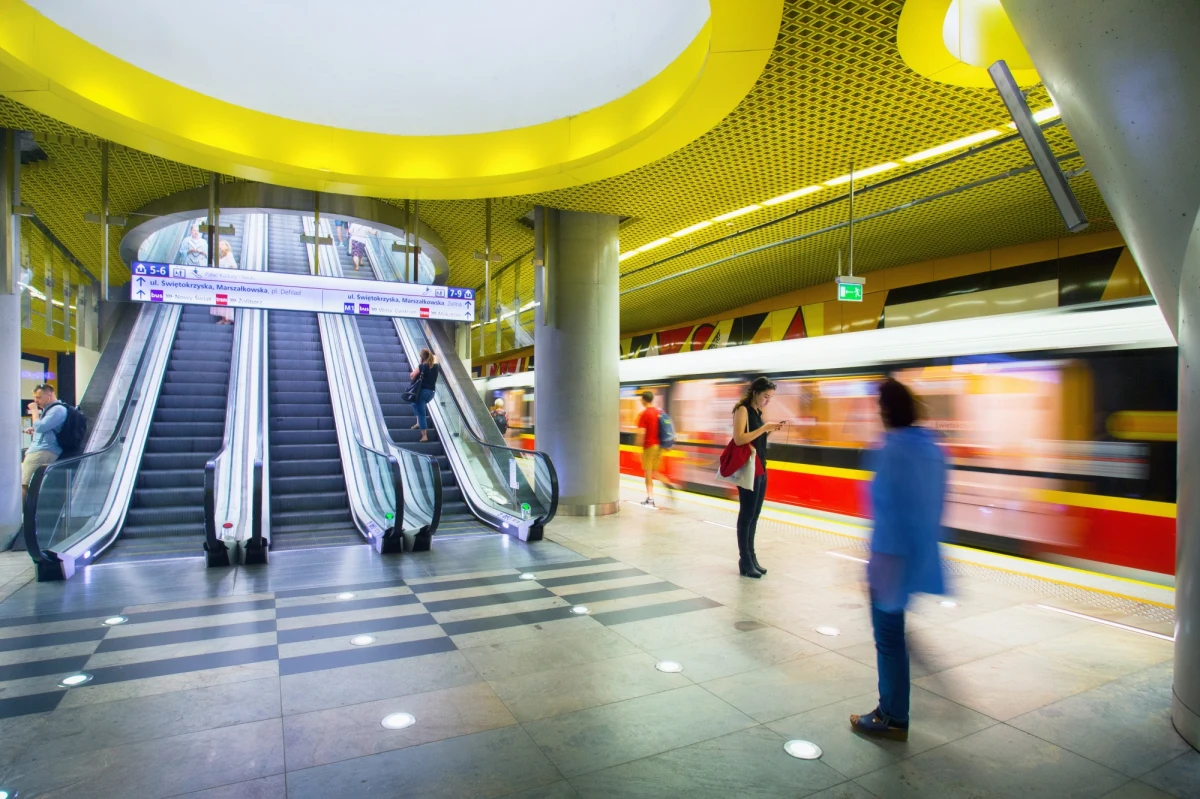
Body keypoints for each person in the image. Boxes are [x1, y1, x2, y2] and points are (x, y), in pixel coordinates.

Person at [850, 377, 947, 742]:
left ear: (886, 410)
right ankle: (891, 711)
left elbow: (885, 512)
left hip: (890, 558)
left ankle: (891, 715)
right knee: (896, 637)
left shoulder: (890, 449)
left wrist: (874, 570)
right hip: (918, 555)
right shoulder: (932, 447)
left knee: (888, 639)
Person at [731, 377, 784, 577]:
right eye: (766, 396)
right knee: (746, 516)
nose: (767, 401)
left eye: (770, 397)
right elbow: (738, 439)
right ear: (755, 392)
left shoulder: (757, 412)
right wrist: (763, 428)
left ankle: (751, 558)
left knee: (754, 515)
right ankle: (744, 560)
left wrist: (768, 430)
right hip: (749, 468)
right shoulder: (742, 409)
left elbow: (755, 438)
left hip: (761, 466)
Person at [21, 384, 67, 500]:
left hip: (43, 451)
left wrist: (34, 411)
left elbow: (41, 427)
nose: (36, 401)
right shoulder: (51, 410)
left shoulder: (57, 409)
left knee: (24, 484)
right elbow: (45, 429)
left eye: (39, 397)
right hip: (41, 450)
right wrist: (34, 430)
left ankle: (18, 516)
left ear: (49, 395)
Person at [635, 391, 665, 507]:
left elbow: (641, 433)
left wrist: (637, 448)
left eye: (641, 400)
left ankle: (650, 499)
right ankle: (667, 484)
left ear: (643, 400)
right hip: (658, 446)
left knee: (648, 474)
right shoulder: (658, 412)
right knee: (655, 471)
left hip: (649, 446)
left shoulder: (645, 414)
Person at [409, 349, 440, 443]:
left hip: (421, 392)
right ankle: (418, 423)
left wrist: (420, 365)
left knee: (422, 413)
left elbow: (412, 375)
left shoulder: (422, 366)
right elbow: (435, 358)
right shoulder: (436, 366)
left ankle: (424, 436)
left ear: (422, 358)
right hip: (431, 393)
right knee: (414, 403)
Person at [210, 239, 238, 324]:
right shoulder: (219, 256)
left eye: (222, 244)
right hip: (220, 280)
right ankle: (223, 318)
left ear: (227, 245)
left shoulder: (229, 255)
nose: (220, 246)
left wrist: (228, 274)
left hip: (226, 280)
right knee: (221, 297)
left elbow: (234, 266)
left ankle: (227, 318)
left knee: (226, 297)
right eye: (219, 244)